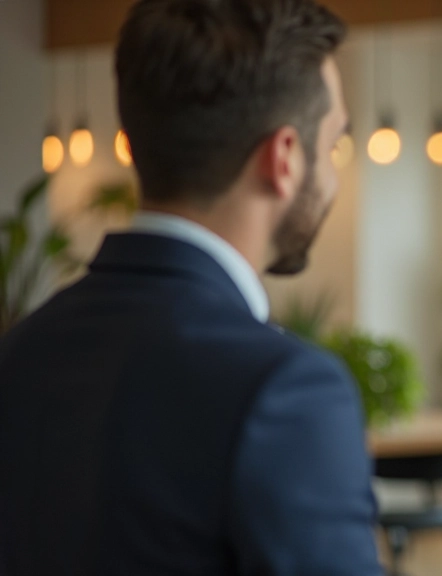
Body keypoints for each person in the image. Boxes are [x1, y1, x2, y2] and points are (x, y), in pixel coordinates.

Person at [0, 1, 381, 574]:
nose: (329, 173)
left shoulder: (20, 353)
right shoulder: (286, 391)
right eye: (330, 147)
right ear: (282, 159)